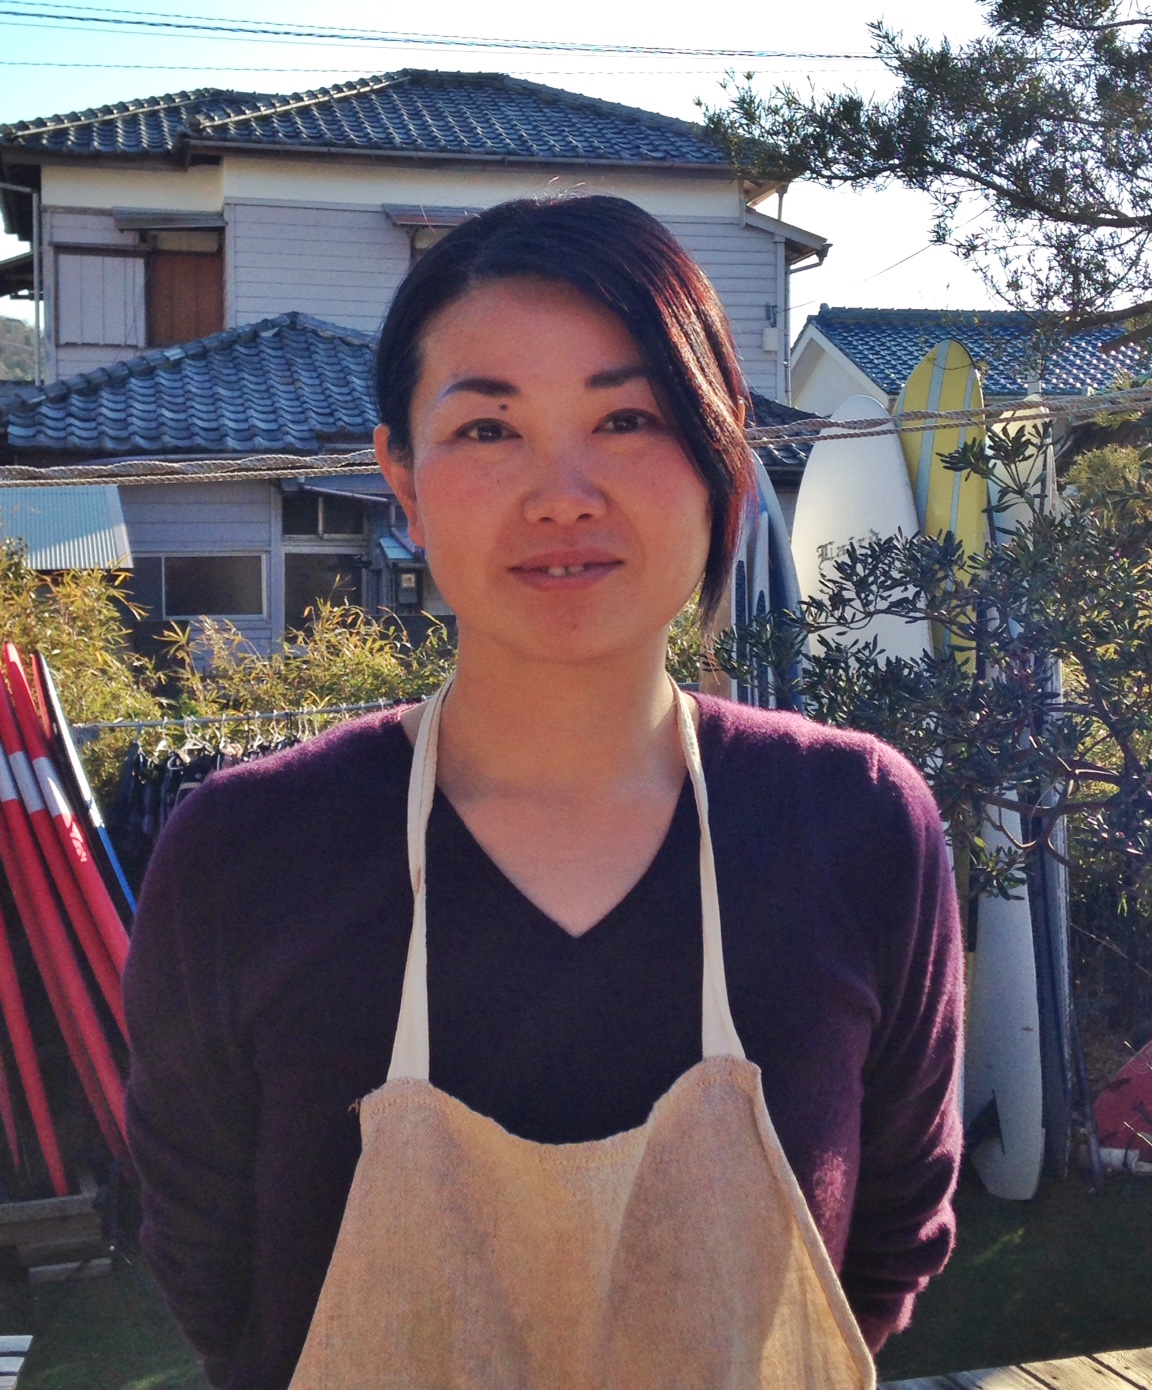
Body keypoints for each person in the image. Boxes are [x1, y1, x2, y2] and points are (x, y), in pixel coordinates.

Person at [125, 195, 963, 1390]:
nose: (563, 494)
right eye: (487, 429)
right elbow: (212, 1275)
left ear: (720, 457)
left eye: (626, 418)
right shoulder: (247, 853)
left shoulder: (858, 822)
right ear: (402, 481)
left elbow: (887, 1243)